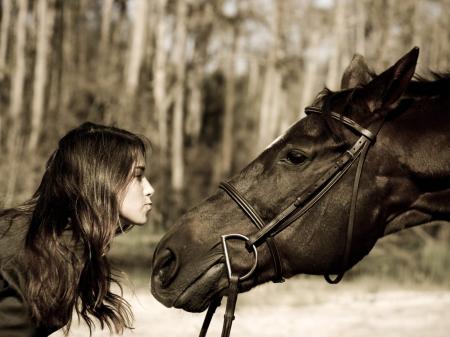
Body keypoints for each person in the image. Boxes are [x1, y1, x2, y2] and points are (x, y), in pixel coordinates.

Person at [0, 122, 154, 336]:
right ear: (102, 178)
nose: (150, 189)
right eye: (138, 176)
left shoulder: (67, 242)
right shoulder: (21, 243)